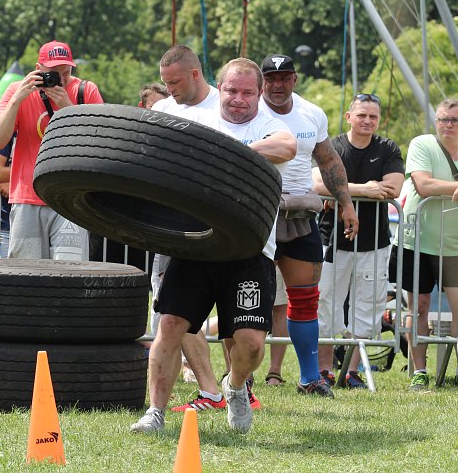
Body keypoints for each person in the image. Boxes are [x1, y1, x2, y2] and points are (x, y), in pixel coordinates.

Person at [131, 57, 297, 434]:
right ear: (219, 88)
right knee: (170, 325)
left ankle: (234, 386)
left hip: (250, 250)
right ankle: (155, 412)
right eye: (231, 90)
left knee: (251, 344)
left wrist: (231, 155)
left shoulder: (269, 125)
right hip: (195, 245)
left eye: (247, 92)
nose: (238, 99)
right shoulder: (196, 120)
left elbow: (287, 147)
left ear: (259, 94)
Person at [148, 45, 249, 413]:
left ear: (195, 74)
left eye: (174, 82)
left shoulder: (223, 109)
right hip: (174, 227)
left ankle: (236, 388)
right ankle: (206, 391)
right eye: (165, 82)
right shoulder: (163, 110)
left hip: (220, 226)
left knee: (232, 318)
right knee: (173, 315)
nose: (169, 89)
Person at [259, 53, 358, 397]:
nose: (277, 85)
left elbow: (328, 160)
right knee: (246, 297)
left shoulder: (311, 112)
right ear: (262, 80)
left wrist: (347, 204)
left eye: (284, 77)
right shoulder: (249, 110)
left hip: (300, 215)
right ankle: (238, 380)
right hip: (259, 212)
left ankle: (310, 378)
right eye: (270, 78)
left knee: (305, 300)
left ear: (294, 79)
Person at [389, 99, 458, 390]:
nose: (447, 125)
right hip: (416, 241)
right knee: (418, 307)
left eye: (454, 120)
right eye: (442, 119)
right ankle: (420, 370)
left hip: (456, 246)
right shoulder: (422, 144)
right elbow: (424, 185)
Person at [312, 93, 404, 389]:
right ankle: (325, 370)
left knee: (368, 306)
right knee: (325, 304)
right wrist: (365, 189)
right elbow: (317, 183)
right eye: (361, 115)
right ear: (349, 117)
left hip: (375, 242)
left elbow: (393, 188)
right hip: (330, 241)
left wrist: (339, 191)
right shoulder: (332, 146)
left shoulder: (388, 148)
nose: (367, 121)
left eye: (373, 116)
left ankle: (351, 372)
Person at [0, 40, 102, 260]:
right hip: (28, 199)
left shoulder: (86, 90)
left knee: (69, 272)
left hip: (70, 199)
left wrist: (68, 108)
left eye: (66, 72)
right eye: (53, 73)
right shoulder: (17, 90)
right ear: (38, 69)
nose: (60, 80)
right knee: (27, 272)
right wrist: (17, 99)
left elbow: (99, 140)